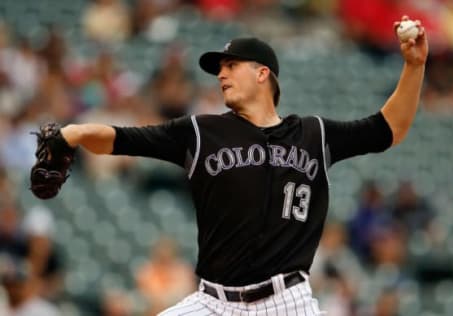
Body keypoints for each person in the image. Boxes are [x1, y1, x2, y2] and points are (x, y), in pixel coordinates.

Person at [57, 15, 428, 315]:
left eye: (231, 65)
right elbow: (122, 138)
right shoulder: (202, 132)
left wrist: (414, 66)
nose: (221, 75)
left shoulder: (313, 134)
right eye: (220, 68)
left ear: (262, 73)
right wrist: (73, 133)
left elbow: (389, 129)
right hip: (212, 303)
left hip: (286, 303)